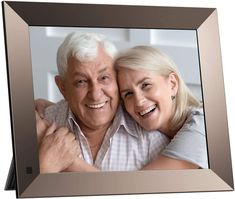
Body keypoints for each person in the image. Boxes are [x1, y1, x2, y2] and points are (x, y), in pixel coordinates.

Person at [37, 32, 169, 173]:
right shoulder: (40, 126)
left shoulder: (149, 135)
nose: (95, 94)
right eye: (81, 82)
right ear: (62, 87)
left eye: (104, 78)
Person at [114, 46, 208, 169]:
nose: (138, 101)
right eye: (128, 94)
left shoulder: (201, 125)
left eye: (146, 85)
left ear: (172, 84)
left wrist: (79, 165)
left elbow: (141, 185)